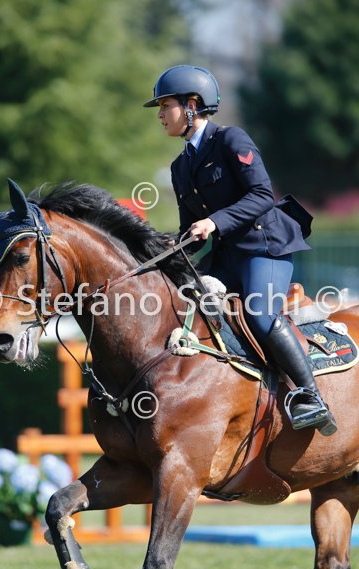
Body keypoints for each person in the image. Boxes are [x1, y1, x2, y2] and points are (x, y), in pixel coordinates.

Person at [144, 64, 337, 436]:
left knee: (260, 316)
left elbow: (262, 195)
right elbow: (191, 229)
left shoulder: (231, 139)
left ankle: (311, 397)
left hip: (265, 247)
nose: (160, 114)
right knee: (182, 308)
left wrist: (214, 222)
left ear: (191, 105)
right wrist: (170, 245)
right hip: (227, 255)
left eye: (165, 105)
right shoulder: (180, 166)